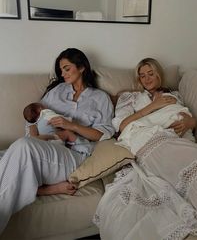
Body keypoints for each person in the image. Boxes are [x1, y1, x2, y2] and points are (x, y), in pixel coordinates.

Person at [95, 58, 197, 240]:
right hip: (151, 141)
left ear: (159, 74)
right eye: (142, 75)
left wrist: (189, 122)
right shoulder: (131, 98)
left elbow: (186, 115)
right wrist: (154, 106)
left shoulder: (174, 95)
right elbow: (123, 126)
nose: (146, 79)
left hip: (181, 141)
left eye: (150, 73)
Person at [0, 48, 115, 235]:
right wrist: (34, 133)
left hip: (75, 155)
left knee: (23, 147)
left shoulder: (100, 98)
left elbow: (103, 134)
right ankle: (44, 189)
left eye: (67, 68)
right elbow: (34, 118)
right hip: (44, 146)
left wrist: (73, 126)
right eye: (61, 70)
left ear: (82, 67)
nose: (62, 74)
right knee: (16, 150)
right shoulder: (57, 91)